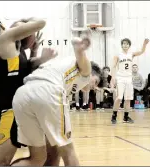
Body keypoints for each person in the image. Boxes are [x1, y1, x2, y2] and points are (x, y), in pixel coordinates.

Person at [11, 37, 101, 166]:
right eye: (95, 82)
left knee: (37, 159)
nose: (94, 86)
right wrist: (80, 51)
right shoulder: (82, 70)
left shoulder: (58, 67)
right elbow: (86, 67)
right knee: (68, 151)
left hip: (23, 95)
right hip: (48, 90)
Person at [0, 17, 56, 166]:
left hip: (17, 107)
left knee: (35, 159)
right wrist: (24, 20)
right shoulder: (4, 38)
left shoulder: (13, 47)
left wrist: (36, 53)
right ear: (2, 26)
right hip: (7, 109)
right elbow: (41, 22)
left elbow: (26, 71)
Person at [110, 38, 149, 124]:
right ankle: (114, 116)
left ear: (129, 45)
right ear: (121, 45)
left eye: (127, 44)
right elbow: (113, 66)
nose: (125, 45)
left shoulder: (131, 54)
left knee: (128, 99)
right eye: (123, 43)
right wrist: (113, 78)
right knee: (119, 98)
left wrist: (144, 44)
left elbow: (141, 52)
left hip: (129, 78)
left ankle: (126, 117)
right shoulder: (118, 55)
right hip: (120, 78)